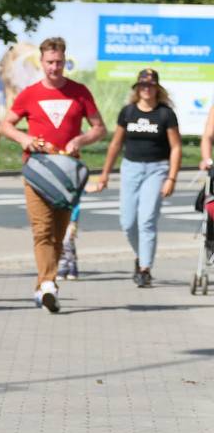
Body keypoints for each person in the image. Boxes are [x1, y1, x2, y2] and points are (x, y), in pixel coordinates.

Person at [0, 37, 106, 313]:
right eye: (49, 62)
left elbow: (99, 128)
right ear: (41, 62)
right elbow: (7, 125)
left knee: (59, 235)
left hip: (68, 173)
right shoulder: (30, 93)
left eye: (59, 62)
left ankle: (42, 285)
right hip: (37, 170)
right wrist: (25, 139)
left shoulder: (79, 92)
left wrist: (79, 141)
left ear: (64, 61)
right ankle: (48, 284)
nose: (54, 67)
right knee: (42, 230)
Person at [92, 69, 181, 287]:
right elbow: (115, 144)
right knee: (128, 222)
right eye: (142, 85)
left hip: (157, 169)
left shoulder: (165, 114)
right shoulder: (128, 112)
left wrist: (171, 178)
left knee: (147, 219)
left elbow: (176, 147)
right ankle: (141, 255)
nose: (146, 89)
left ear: (157, 88)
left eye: (150, 85)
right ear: (137, 88)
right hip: (130, 168)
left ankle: (145, 269)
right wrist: (104, 174)